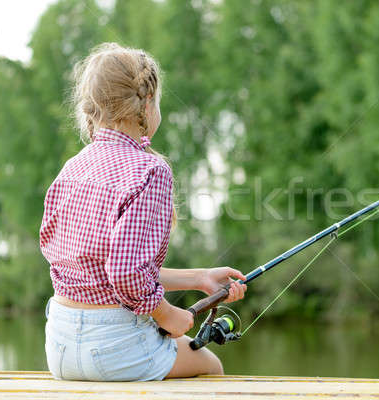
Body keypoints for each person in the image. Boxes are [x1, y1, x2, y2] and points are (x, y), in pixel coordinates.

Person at [39, 42, 247, 381]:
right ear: (147, 103)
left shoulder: (72, 167)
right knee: (210, 368)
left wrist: (198, 278)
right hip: (114, 348)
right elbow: (125, 273)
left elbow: (107, 269)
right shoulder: (149, 170)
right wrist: (167, 315)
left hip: (59, 348)